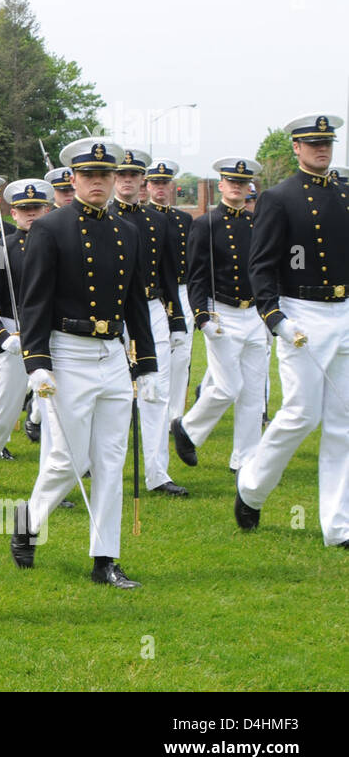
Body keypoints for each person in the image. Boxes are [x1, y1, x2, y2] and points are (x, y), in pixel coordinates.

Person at [11, 137, 157, 589]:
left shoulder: (128, 231)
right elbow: (34, 301)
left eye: (105, 176)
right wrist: (36, 362)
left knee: (111, 459)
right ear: (72, 179)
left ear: (115, 180)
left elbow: (136, 301)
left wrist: (147, 364)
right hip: (67, 351)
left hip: (111, 353)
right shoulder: (50, 228)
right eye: (89, 176)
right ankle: (27, 522)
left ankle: (104, 559)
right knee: (65, 458)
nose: (98, 183)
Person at [236, 114, 349, 547]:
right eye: (313, 143)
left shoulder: (343, 192)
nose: (322, 149)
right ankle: (252, 487)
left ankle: (337, 527)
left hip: (343, 310)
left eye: (327, 143)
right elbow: (261, 263)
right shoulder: (279, 198)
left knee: (342, 421)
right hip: (303, 311)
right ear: (297, 149)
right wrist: (274, 316)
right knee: (303, 413)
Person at [171, 157, 265, 473]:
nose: (237, 187)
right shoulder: (205, 224)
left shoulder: (256, 224)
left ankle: (245, 459)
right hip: (221, 312)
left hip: (253, 313)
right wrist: (202, 316)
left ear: (248, 187)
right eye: (232, 182)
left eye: (243, 182)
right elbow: (196, 275)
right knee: (228, 387)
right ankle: (188, 428)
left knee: (253, 392)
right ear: (221, 185)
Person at [109, 148, 189, 497]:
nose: (127, 181)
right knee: (111, 394)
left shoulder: (158, 222)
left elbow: (170, 275)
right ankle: (95, 464)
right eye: (121, 175)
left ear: (142, 179)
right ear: (114, 178)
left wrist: (177, 321)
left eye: (133, 175)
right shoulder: (98, 217)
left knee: (156, 392)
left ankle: (157, 472)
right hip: (111, 314)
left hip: (152, 308)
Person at [0, 180, 51, 488]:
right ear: (13, 214)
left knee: (54, 409)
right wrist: (1, 337)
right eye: (24, 210)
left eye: (36, 209)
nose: (31, 214)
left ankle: (53, 480)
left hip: (52, 335)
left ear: (46, 210)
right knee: (4, 410)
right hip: (14, 336)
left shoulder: (59, 246)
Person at [145, 159, 195, 421]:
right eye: (155, 182)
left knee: (181, 355)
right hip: (153, 294)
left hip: (181, 290)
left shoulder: (183, 219)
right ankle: (148, 407)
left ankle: (175, 416)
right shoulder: (142, 218)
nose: (160, 187)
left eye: (165, 182)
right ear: (148, 185)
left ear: (171, 185)